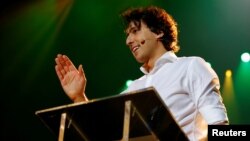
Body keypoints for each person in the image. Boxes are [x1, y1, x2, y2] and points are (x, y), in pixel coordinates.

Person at [55, 6, 229, 141]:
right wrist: (79, 97)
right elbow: (104, 134)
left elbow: (220, 125)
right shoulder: (133, 89)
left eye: (135, 31)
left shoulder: (190, 66)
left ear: (159, 31)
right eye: (127, 34)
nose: (128, 41)